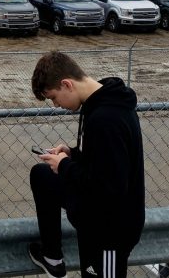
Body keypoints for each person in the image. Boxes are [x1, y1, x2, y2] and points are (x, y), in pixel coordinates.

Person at [27, 51, 145, 278]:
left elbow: (109, 188)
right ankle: (52, 257)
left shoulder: (106, 118)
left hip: (111, 232)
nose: (56, 105)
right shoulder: (97, 105)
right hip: (94, 220)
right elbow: (105, 160)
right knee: (42, 175)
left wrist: (64, 166)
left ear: (67, 84)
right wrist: (73, 154)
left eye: (54, 97)